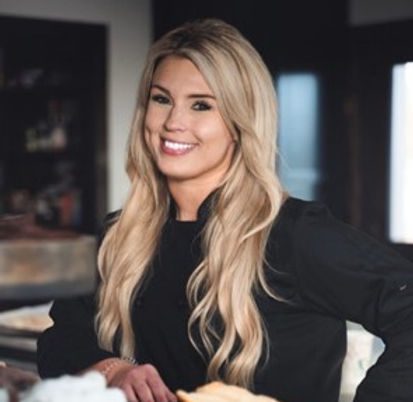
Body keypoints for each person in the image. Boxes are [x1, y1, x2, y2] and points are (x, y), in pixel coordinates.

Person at [37, 19, 413, 402]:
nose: (173, 123)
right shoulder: (118, 235)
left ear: (238, 122)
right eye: (161, 99)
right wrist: (113, 371)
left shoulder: (292, 235)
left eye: (201, 105)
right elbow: (59, 341)